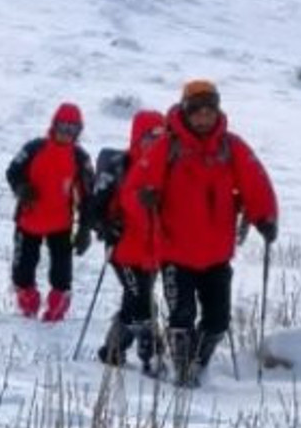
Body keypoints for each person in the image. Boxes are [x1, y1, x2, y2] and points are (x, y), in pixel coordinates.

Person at [153, 79, 278, 387]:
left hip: (216, 255)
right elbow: (139, 182)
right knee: (181, 317)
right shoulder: (167, 146)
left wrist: (265, 217)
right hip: (174, 253)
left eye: (210, 111)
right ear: (186, 112)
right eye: (197, 112)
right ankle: (182, 371)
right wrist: (144, 198)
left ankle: (198, 363)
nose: (204, 118)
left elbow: (255, 180)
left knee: (218, 321)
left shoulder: (230, 146)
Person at [88, 110, 167, 374]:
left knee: (135, 301)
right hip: (123, 250)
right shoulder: (119, 166)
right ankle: (151, 355)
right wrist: (106, 226)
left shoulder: (167, 168)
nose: (155, 142)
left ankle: (112, 350)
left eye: (161, 136)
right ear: (136, 137)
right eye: (149, 136)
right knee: (141, 301)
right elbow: (94, 207)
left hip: (154, 252)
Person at [5, 102, 95, 321]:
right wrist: (21, 188)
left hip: (61, 225)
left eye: (73, 129)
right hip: (28, 221)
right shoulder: (34, 148)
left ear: (78, 133)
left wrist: (84, 229)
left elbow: (87, 196)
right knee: (23, 271)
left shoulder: (80, 158)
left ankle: (57, 311)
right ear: (53, 126)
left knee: (61, 274)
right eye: (63, 127)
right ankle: (27, 305)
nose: (66, 133)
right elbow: (12, 171)